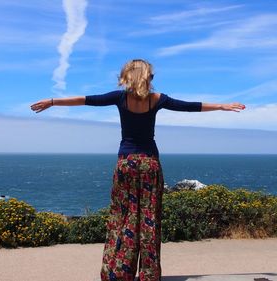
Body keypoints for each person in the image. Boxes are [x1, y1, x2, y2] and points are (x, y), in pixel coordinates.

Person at [30, 59, 245, 281]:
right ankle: (148, 274)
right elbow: (189, 106)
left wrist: (52, 101)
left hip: (126, 164)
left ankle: (119, 272)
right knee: (149, 218)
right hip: (150, 163)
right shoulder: (157, 99)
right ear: (148, 77)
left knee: (123, 217)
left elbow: (85, 100)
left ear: (127, 76)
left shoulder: (119, 97)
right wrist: (221, 106)